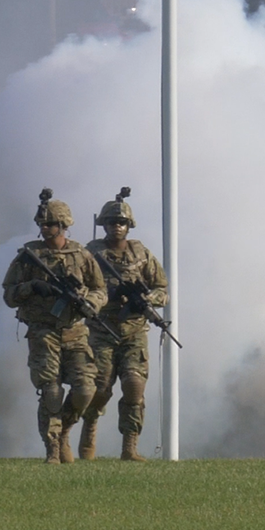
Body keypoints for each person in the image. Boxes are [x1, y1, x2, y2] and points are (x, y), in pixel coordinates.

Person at [0, 188, 108, 464]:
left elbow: (100, 289)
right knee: (51, 391)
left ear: (64, 226)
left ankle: (65, 431)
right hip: (42, 331)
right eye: (42, 224)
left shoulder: (81, 255)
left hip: (75, 331)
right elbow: (9, 295)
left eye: (50, 224)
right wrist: (32, 287)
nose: (45, 228)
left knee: (85, 389)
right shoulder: (28, 256)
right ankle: (53, 449)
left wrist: (89, 303)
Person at [79, 188, 169, 462]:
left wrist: (147, 298)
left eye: (121, 223)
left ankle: (130, 448)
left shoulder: (141, 254)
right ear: (103, 225)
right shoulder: (90, 253)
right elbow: (78, 284)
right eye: (111, 222)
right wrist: (96, 299)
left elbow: (162, 289)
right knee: (100, 388)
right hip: (101, 329)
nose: (116, 227)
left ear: (129, 226)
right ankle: (88, 435)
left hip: (134, 331)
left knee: (134, 386)